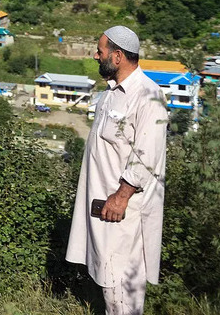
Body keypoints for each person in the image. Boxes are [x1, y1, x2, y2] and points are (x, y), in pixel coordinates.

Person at [66, 26, 168, 315]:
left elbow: (147, 154)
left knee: (121, 284)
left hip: (123, 208)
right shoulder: (111, 94)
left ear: (118, 56)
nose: (95, 55)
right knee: (110, 283)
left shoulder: (148, 96)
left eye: (100, 51)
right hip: (104, 206)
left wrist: (121, 196)